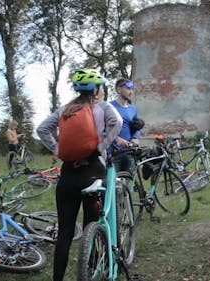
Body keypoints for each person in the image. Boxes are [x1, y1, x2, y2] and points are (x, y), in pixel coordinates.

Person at [36, 68, 122, 281]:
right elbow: (117, 123)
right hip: (93, 171)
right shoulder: (102, 107)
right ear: (96, 89)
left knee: (64, 233)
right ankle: (90, 273)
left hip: (68, 175)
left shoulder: (65, 109)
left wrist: (58, 150)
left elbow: (42, 129)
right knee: (91, 226)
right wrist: (99, 148)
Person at [109, 78, 142, 173]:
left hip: (129, 153)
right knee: (112, 185)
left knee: (128, 184)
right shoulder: (109, 107)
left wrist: (136, 137)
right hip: (113, 154)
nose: (131, 92)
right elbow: (102, 128)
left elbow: (136, 127)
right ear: (119, 89)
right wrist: (116, 139)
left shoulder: (133, 109)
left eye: (132, 89)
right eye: (128, 89)